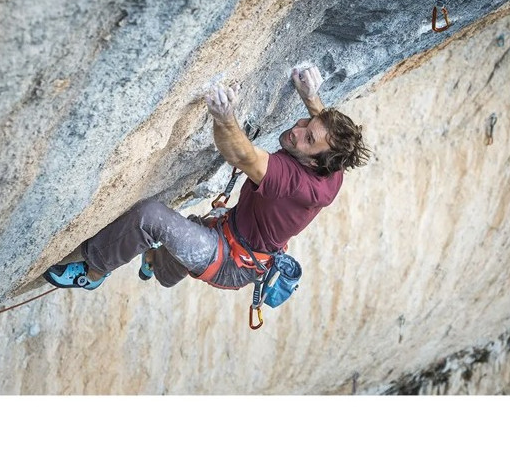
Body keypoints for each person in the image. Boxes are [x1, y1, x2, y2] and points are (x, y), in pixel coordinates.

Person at [43, 63, 370, 294]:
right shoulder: (332, 165)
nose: (296, 131)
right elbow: (322, 130)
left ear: (314, 164)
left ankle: (94, 272)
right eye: (305, 123)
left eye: (307, 139)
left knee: (151, 218)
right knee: (180, 244)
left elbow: (242, 156)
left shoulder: (294, 182)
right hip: (231, 234)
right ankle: (154, 261)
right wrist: (312, 98)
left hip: (230, 261)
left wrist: (224, 117)